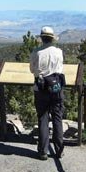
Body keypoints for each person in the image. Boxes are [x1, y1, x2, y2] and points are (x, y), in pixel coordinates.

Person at [29, 26, 65, 160]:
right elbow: (60, 68)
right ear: (52, 38)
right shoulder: (58, 52)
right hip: (56, 87)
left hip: (41, 87)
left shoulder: (36, 52)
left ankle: (43, 150)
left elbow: (32, 70)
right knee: (57, 117)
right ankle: (59, 149)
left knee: (43, 118)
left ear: (42, 38)